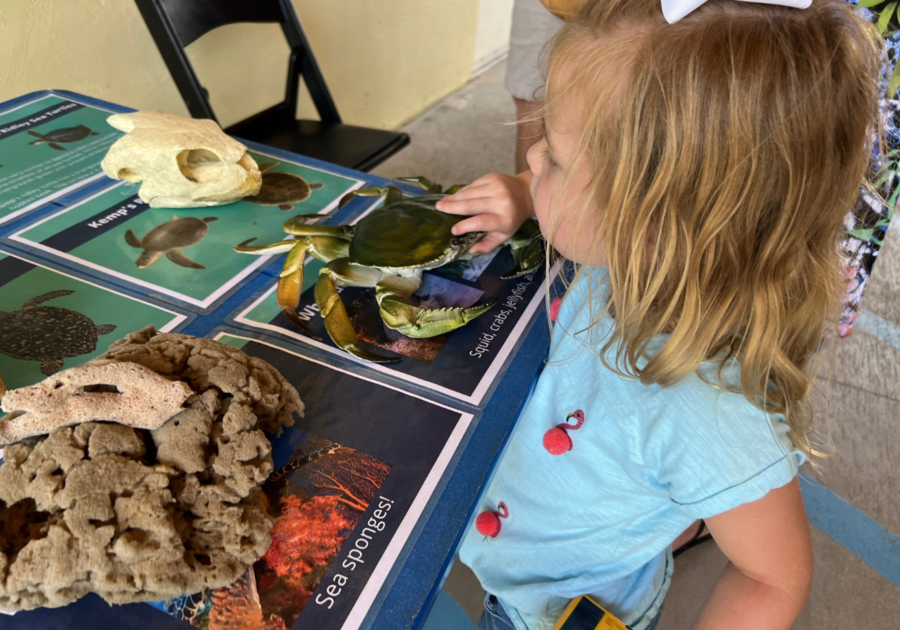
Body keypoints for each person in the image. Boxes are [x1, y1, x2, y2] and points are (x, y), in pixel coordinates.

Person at [434, 0, 882, 628]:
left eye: (554, 158)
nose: (532, 159)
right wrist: (523, 196)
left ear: (655, 224)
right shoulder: (635, 257)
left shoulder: (712, 412)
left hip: (569, 609)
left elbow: (772, 576)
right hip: (521, 551)